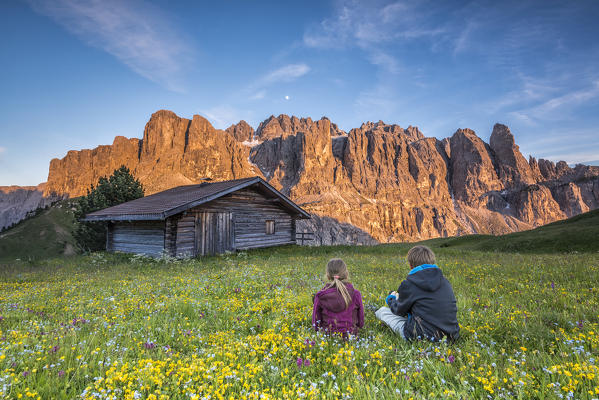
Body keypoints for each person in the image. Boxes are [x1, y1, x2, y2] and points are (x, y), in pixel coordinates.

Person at [375, 245, 459, 341]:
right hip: (451, 336)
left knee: (381, 311)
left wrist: (391, 299)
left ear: (411, 265)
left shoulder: (409, 284)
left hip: (421, 336)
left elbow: (399, 311)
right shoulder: (445, 282)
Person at [312, 258, 364, 336]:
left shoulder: (320, 296)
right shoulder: (356, 294)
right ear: (346, 274)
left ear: (328, 276)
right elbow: (361, 322)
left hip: (328, 337)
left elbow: (316, 323)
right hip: (351, 336)